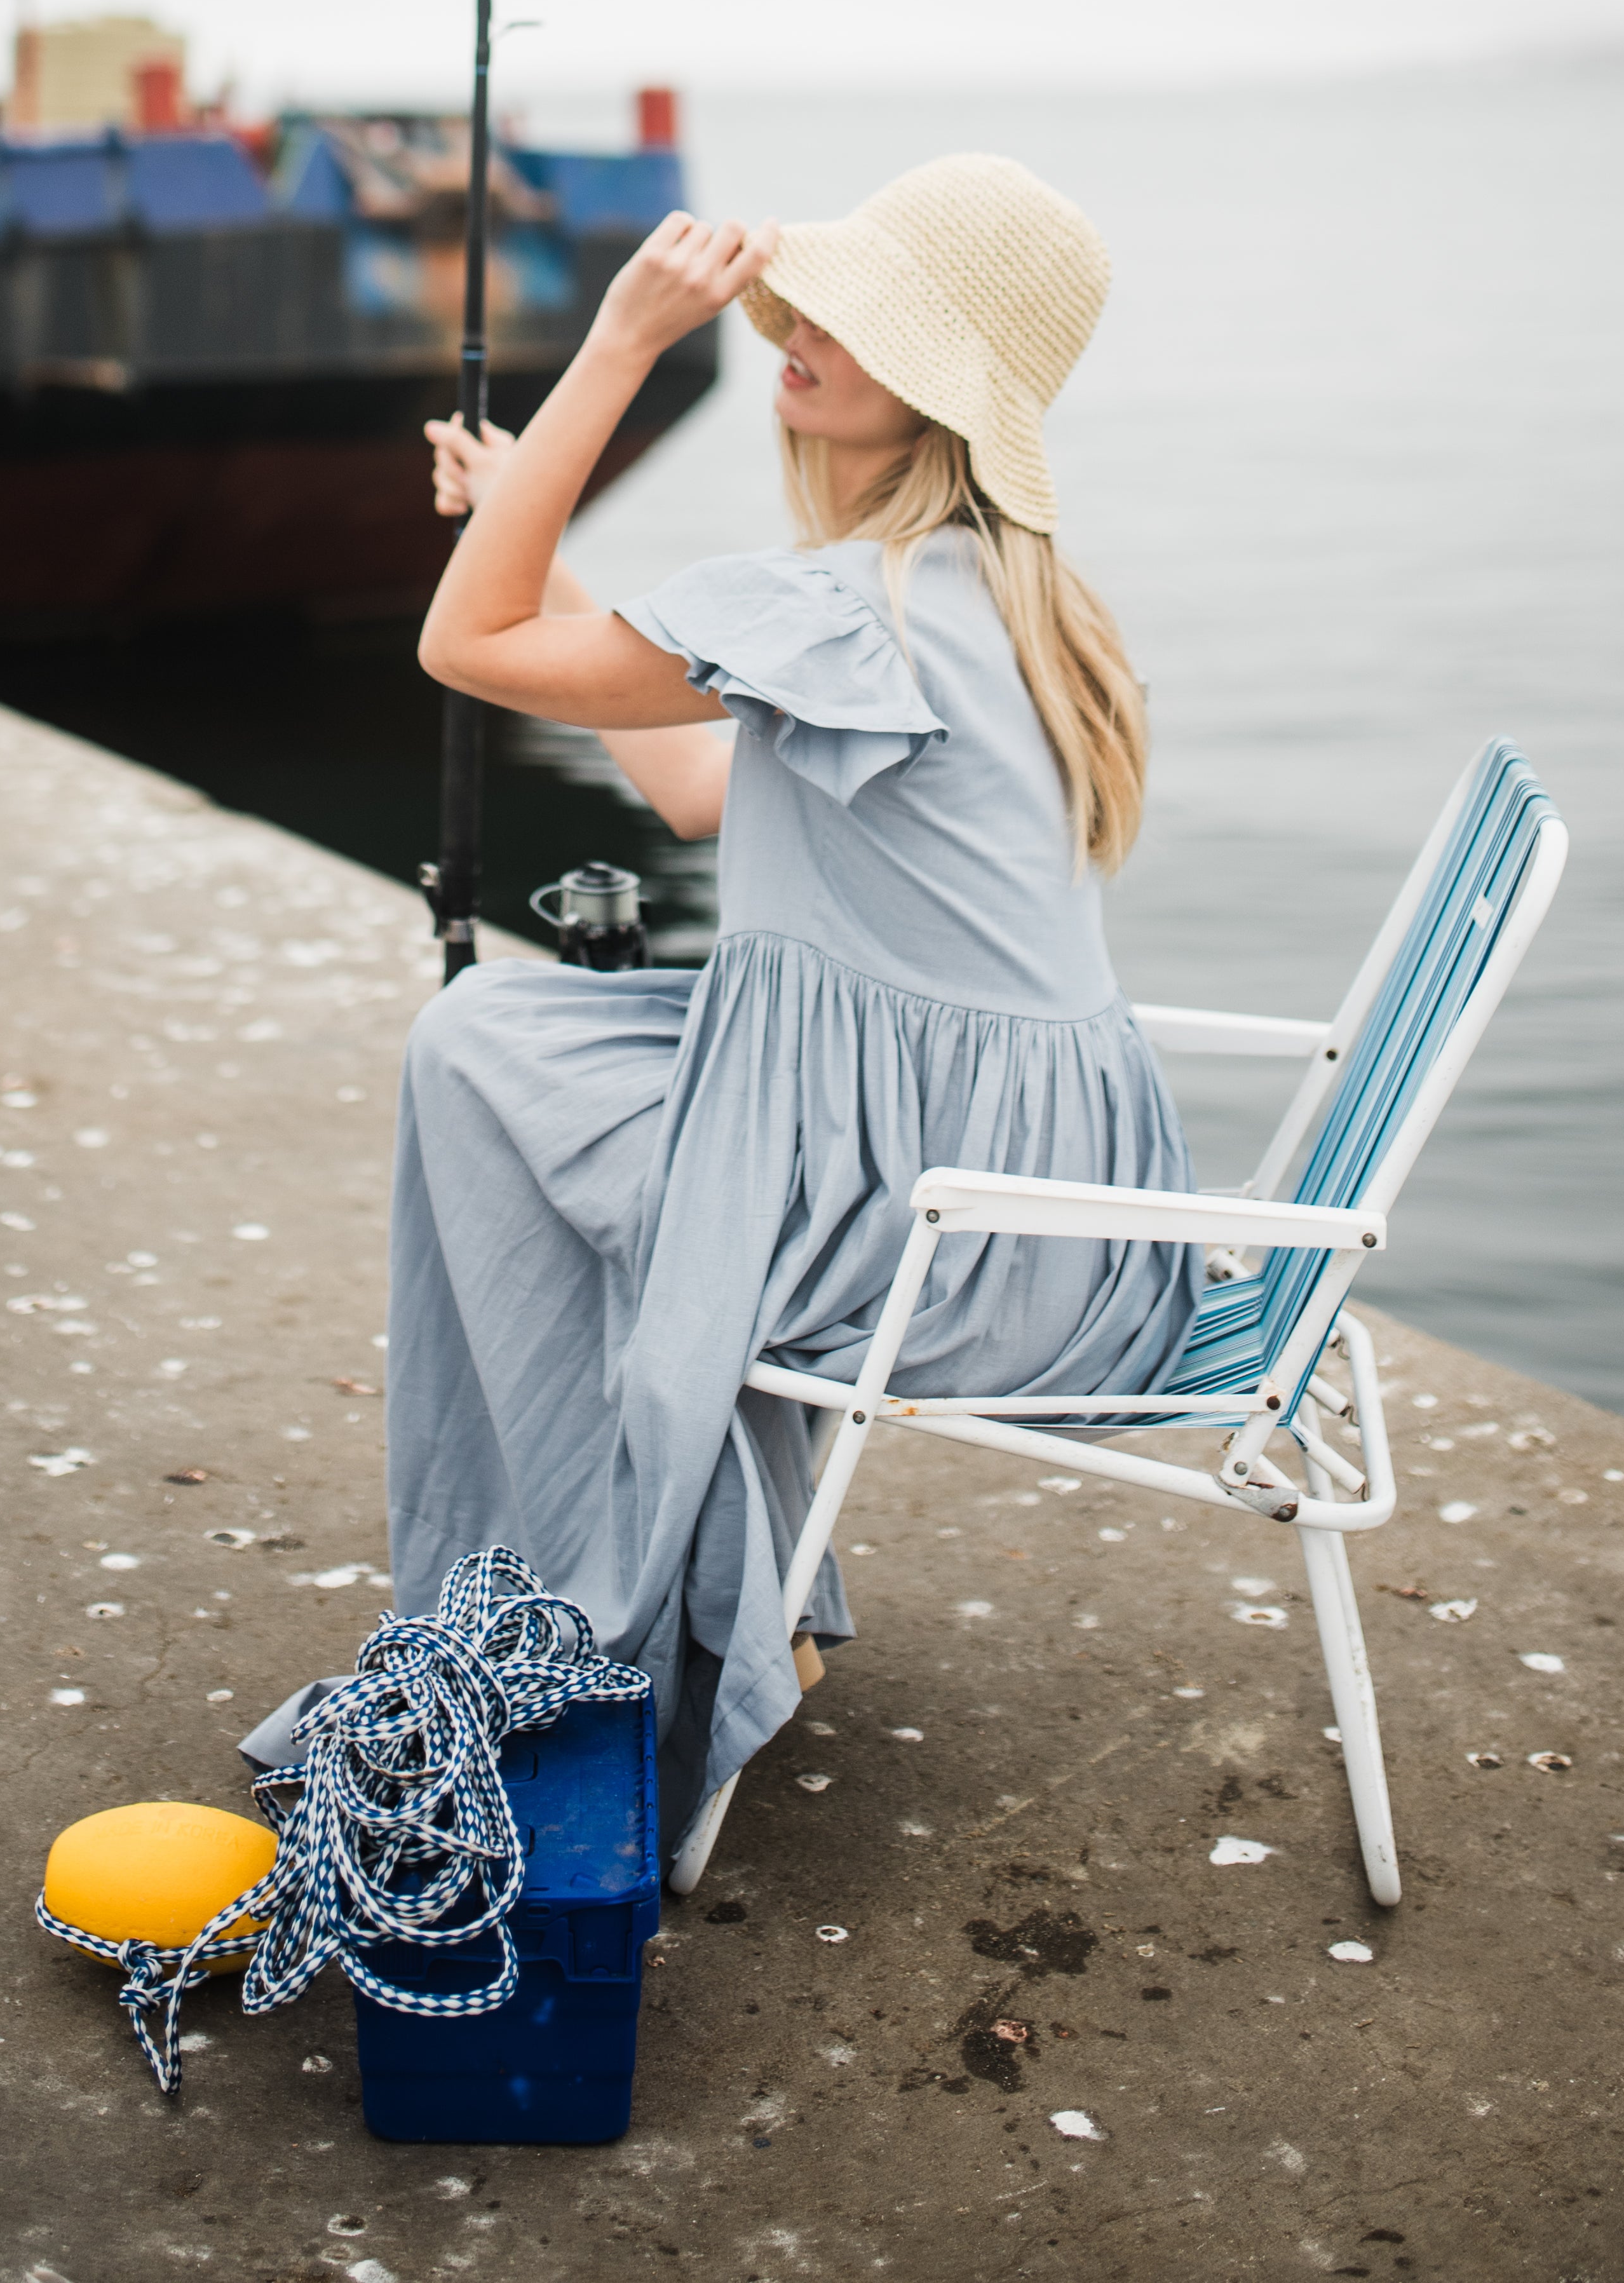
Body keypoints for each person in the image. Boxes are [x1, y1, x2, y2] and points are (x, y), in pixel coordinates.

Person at [393, 152, 1200, 1862]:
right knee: (496, 1040)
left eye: (865, 317)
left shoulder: (847, 608)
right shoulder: (988, 592)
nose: (805, 326)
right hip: (1050, 1208)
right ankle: (740, 1571)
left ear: (945, 390)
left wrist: (611, 350)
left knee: (496, 1081)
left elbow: (464, 651)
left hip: (953, 1239)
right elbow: (698, 794)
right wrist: (531, 523)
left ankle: (637, 1583)